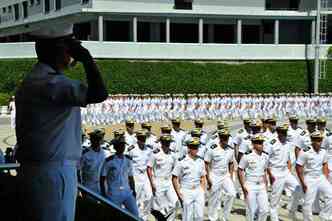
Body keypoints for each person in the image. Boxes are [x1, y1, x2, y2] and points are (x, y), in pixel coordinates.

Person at [15, 24, 108, 221]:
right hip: (54, 174)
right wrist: (86, 58)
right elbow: (99, 93)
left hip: (37, 172)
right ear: (60, 50)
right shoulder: (52, 83)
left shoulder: (35, 80)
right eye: (69, 48)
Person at [265, 125, 301, 221]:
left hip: (285, 172)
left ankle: (291, 209)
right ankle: (274, 219)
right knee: (274, 200)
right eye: (282, 132)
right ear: (278, 133)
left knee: (298, 189)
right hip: (275, 173)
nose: (284, 135)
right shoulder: (271, 144)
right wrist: (270, 175)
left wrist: (289, 169)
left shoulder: (288, 143)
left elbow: (289, 158)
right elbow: (265, 161)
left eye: (285, 133)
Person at [296, 131, 332, 221]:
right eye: (316, 140)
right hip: (309, 178)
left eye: (320, 140)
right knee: (308, 202)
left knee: (330, 195)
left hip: (320, 177)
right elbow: (299, 167)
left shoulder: (323, 151)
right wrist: (303, 183)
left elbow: (325, 163)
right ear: (312, 140)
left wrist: (326, 176)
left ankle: (324, 215)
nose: (319, 142)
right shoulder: (305, 151)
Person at [100, 132, 139, 216]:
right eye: (120, 145)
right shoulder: (109, 161)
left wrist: (133, 190)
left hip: (127, 192)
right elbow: (102, 178)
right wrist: (103, 194)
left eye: (123, 145)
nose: (122, 147)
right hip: (114, 193)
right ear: (115, 147)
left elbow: (130, 177)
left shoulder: (128, 160)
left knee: (135, 214)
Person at [205, 129, 236, 221]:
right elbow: (206, 163)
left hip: (225, 175)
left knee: (232, 194)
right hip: (215, 174)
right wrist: (208, 178)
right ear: (220, 138)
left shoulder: (230, 149)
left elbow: (231, 163)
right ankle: (212, 218)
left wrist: (230, 175)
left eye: (227, 138)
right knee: (213, 198)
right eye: (223, 138)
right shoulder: (212, 148)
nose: (225, 140)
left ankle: (225, 217)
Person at [172, 137, 206, 221]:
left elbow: (203, 176)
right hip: (186, 190)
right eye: (193, 147)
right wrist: (179, 193)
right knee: (188, 216)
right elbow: (174, 178)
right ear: (189, 148)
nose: (196, 149)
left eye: (197, 147)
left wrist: (202, 190)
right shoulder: (182, 161)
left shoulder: (200, 161)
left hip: (198, 190)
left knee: (200, 216)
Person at [238, 134, 269, 221]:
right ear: (253, 144)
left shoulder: (265, 156)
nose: (261, 145)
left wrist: (266, 184)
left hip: (262, 185)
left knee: (265, 210)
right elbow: (240, 170)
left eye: (262, 143)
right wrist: (243, 186)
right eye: (258, 143)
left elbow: (265, 171)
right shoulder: (247, 156)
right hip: (250, 185)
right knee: (251, 211)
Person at [147, 134, 178, 221]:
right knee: (159, 206)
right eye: (165, 143)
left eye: (168, 143)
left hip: (169, 181)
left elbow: (176, 169)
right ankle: (160, 217)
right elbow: (149, 168)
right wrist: (152, 183)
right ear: (161, 143)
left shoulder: (173, 154)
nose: (166, 145)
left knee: (174, 202)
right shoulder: (155, 153)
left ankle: (162, 216)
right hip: (158, 181)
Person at [127, 130, 153, 221]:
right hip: (135, 176)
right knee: (137, 198)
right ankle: (136, 216)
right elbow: (128, 164)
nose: (143, 140)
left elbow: (149, 165)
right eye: (141, 138)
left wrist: (151, 180)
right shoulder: (132, 149)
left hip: (145, 175)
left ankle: (144, 216)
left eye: (144, 138)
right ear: (137, 139)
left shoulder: (149, 149)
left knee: (149, 196)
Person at [79, 129, 110, 194]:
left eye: (98, 139)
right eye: (93, 139)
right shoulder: (85, 154)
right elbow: (78, 170)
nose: (95, 141)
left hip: (103, 186)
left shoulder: (106, 153)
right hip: (88, 187)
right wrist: (80, 188)